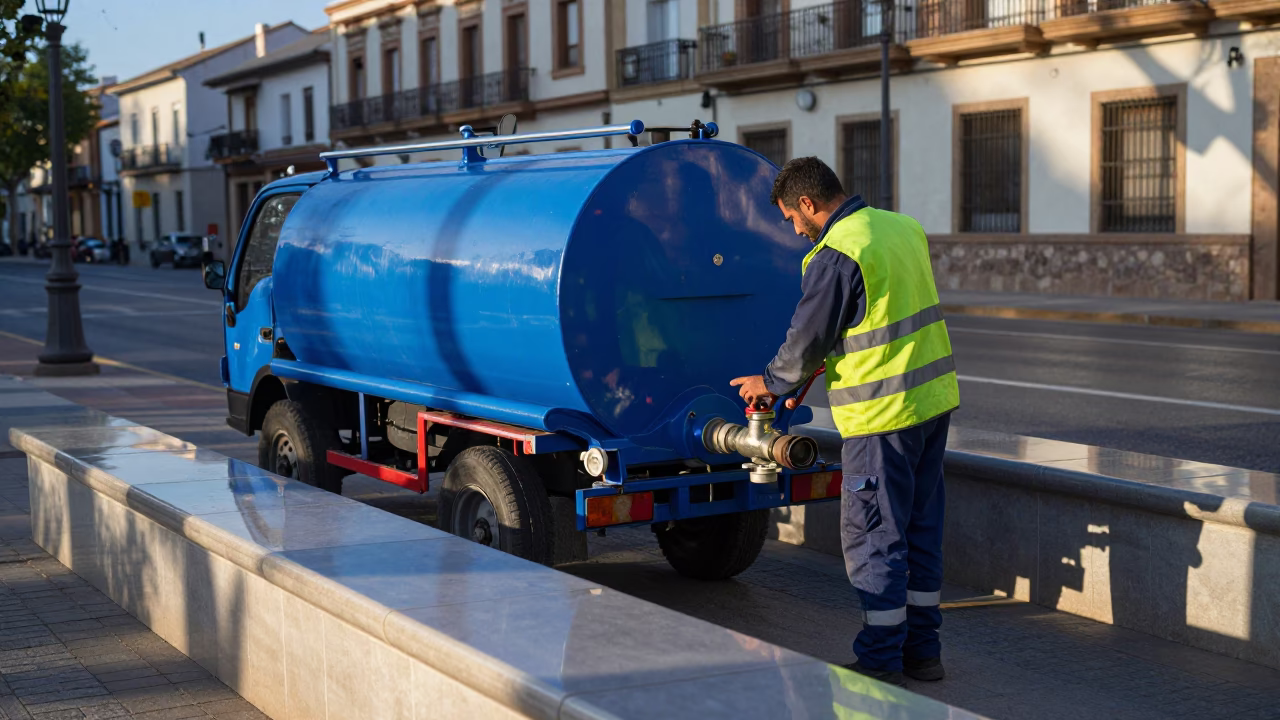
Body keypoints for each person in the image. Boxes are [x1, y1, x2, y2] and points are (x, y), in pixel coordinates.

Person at [730, 157, 959, 687]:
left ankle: (879, 660)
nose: (793, 229)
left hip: (882, 417)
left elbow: (806, 341)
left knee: (874, 535)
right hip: (931, 405)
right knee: (921, 531)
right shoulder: (902, 227)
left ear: (808, 204)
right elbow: (871, 317)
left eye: (791, 217)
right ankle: (924, 654)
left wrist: (770, 382)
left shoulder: (835, 253)